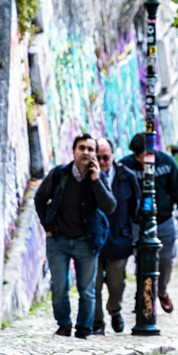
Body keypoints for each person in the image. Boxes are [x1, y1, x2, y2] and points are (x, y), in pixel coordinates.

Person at [33, 132, 115, 338]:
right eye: (82, 148)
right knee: (59, 286)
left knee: (87, 290)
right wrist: (47, 227)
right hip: (58, 239)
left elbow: (109, 206)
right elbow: (40, 197)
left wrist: (96, 180)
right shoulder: (60, 174)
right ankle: (64, 324)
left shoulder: (100, 177)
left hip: (87, 242)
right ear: (74, 151)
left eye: (90, 149)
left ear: (95, 154)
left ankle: (84, 329)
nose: (86, 152)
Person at [119, 133, 178, 314]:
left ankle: (162, 290)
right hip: (138, 222)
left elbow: (177, 188)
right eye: (138, 156)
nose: (141, 160)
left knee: (166, 259)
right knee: (142, 260)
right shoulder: (126, 166)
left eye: (144, 155)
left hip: (164, 220)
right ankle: (143, 296)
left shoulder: (166, 163)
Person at [93, 136, 141, 335]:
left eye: (106, 157)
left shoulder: (125, 176)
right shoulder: (88, 177)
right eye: (99, 158)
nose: (103, 162)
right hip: (93, 241)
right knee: (92, 287)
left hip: (119, 239)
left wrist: (132, 233)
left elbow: (136, 206)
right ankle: (97, 323)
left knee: (116, 284)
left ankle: (115, 311)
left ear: (113, 156)